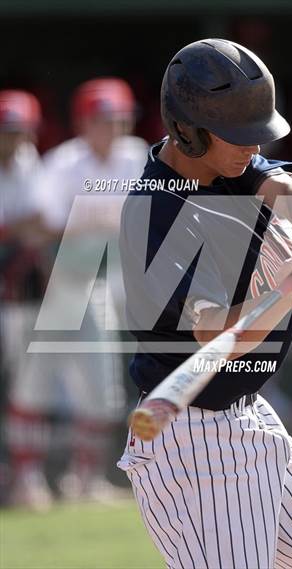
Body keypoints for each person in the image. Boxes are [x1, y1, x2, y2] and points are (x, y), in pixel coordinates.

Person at [118, 39, 292, 569]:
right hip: (193, 441)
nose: (252, 147)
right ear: (187, 131)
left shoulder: (225, 162)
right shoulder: (156, 213)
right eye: (240, 136)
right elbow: (218, 337)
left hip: (248, 419)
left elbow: (290, 193)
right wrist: (289, 287)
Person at [7, 78, 148, 506]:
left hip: (104, 285)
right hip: (56, 285)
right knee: (34, 386)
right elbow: (39, 227)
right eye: (102, 120)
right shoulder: (62, 162)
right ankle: (27, 481)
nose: (112, 127)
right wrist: (91, 222)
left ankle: (84, 480)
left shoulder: (137, 155)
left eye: (118, 119)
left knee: (102, 390)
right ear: (84, 123)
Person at [0, 89, 49, 509]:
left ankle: (25, 476)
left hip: (16, 290)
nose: (13, 138)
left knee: (25, 384)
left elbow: (39, 225)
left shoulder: (29, 159)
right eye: (6, 131)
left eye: (18, 131)